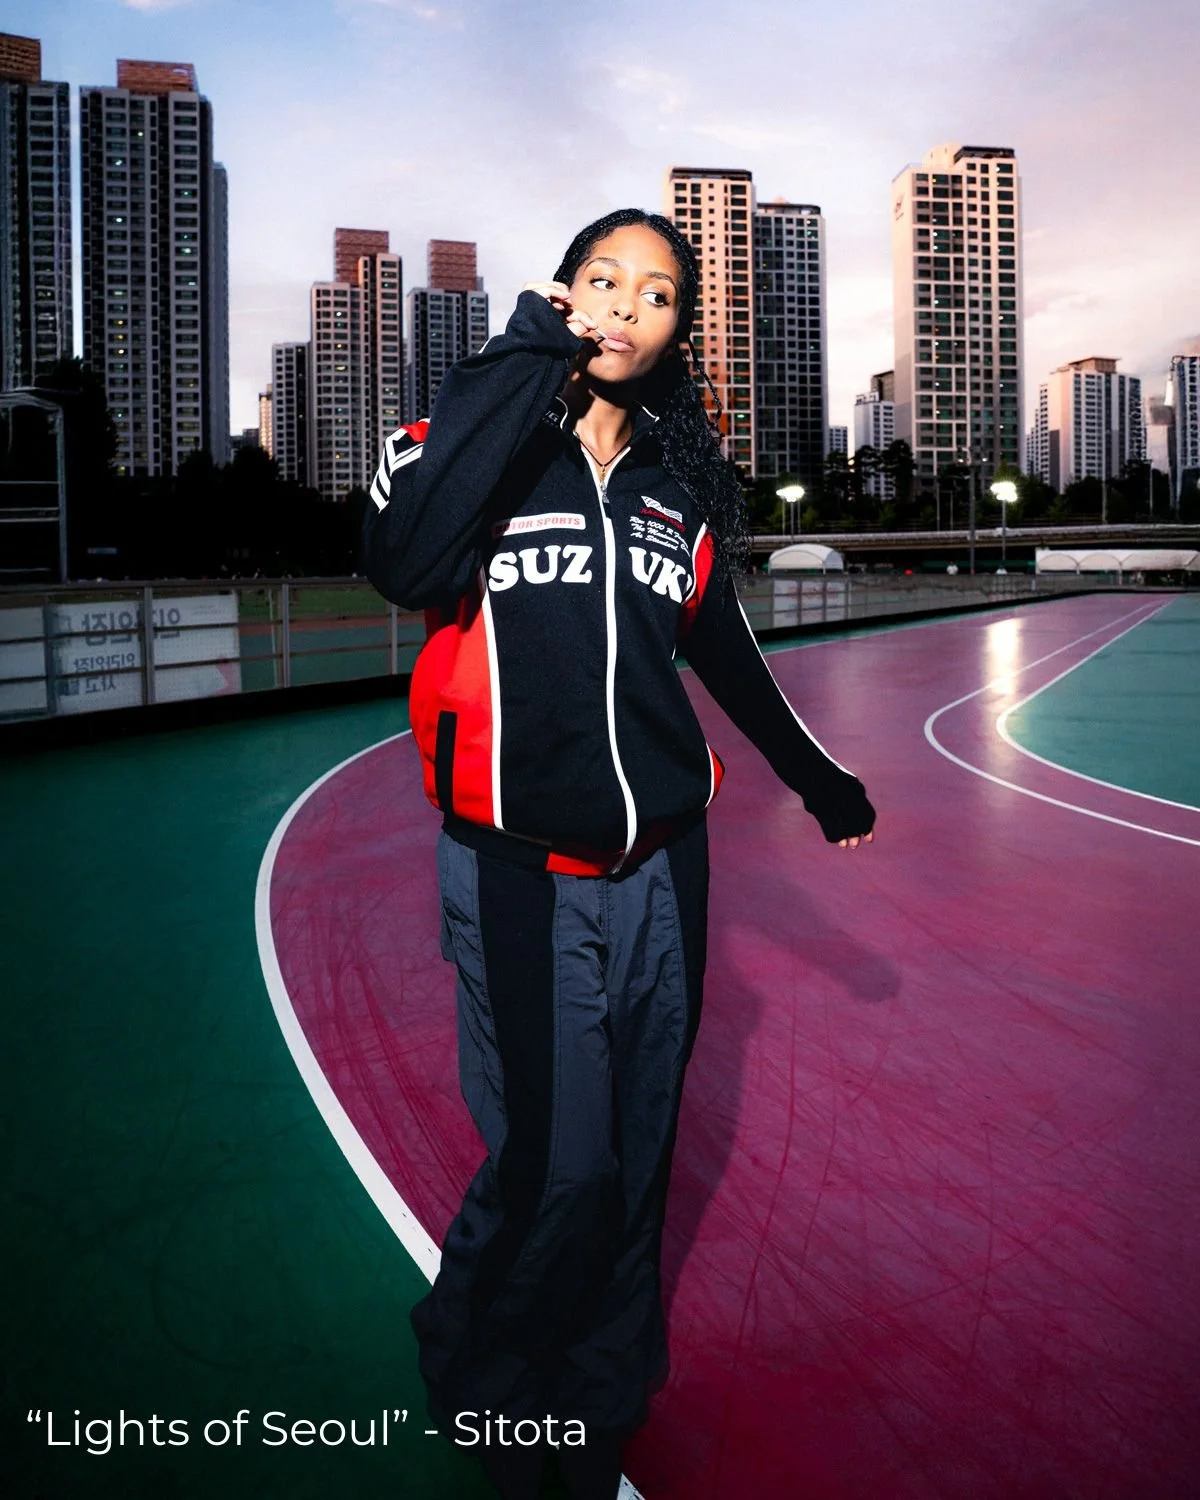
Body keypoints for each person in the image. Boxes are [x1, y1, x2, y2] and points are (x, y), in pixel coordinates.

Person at [361, 208, 876, 1499]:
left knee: (638, 1149)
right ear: (563, 292)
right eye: (604, 279)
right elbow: (402, 557)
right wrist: (524, 351)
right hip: (516, 868)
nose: (626, 304)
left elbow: (717, 647)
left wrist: (813, 776)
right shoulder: (466, 446)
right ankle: (479, 1361)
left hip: (666, 869)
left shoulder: (674, 486)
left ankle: (601, 1384)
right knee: (556, 1158)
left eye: (656, 294)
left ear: (672, 335)